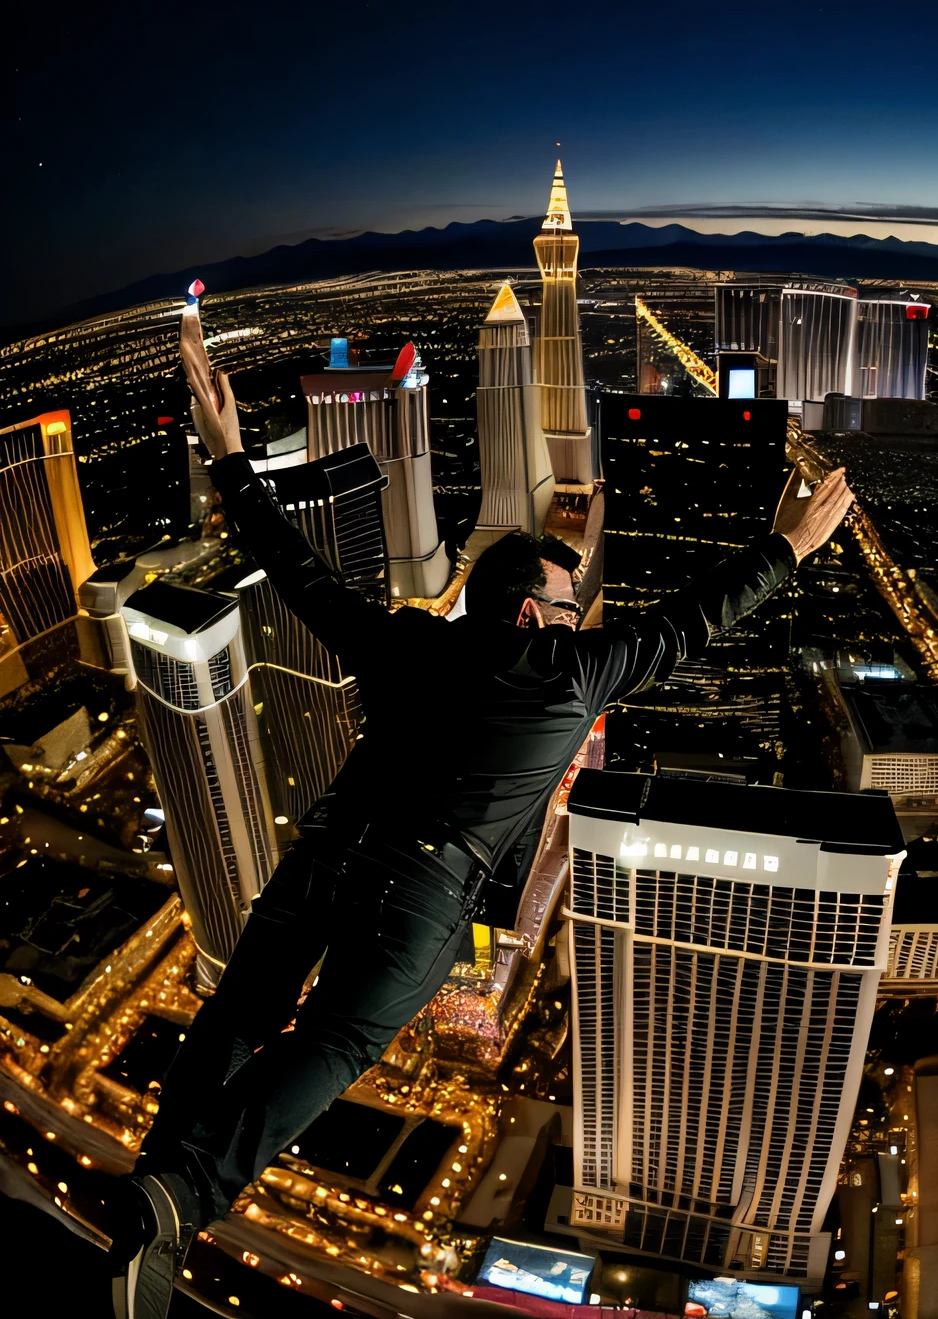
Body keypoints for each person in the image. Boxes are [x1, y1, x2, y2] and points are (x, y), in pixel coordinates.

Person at [110, 325, 854, 1319]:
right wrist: (790, 545)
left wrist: (229, 456)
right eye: (564, 600)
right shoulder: (572, 676)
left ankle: (155, 1204)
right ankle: (180, 1199)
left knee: (239, 1016)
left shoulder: (408, 646)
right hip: (422, 894)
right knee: (330, 1047)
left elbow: (296, 570)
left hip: (326, 856)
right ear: (525, 614)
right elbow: (691, 620)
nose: (574, 611)